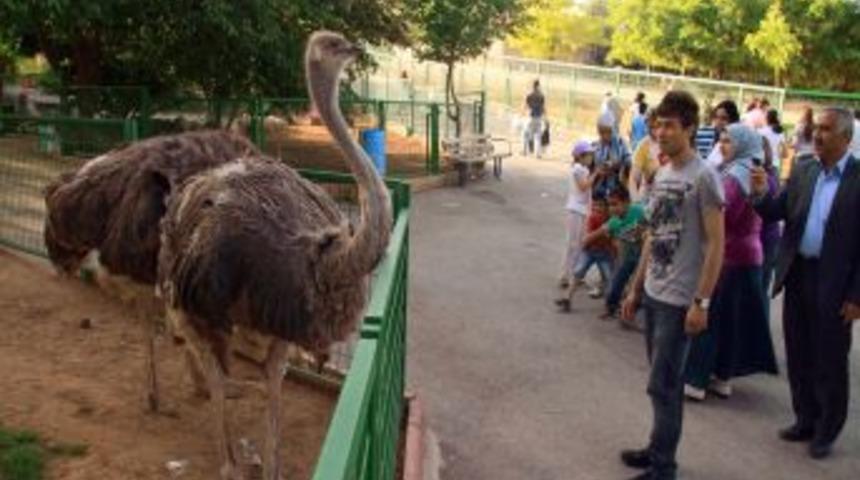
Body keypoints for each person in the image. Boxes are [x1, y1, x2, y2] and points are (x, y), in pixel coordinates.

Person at [619, 90, 725, 480]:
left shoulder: (704, 176)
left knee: (664, 385)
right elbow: (653, 233)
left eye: (669, 125)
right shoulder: (663, 173)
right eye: (658, 125)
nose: (661, 132)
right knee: (660, 383)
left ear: (690, 129)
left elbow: (716, 244)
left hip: (680, 300)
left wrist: (702, 302)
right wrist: (635, 287)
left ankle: (664, 467)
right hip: (654, 291)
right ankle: (656, 448)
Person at [751, 107, 860, 460]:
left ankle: (826, 430)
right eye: (816, 128)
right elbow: (777, 211)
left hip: (835, 282)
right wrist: (759, 195)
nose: (817, 134)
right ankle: (805, 419)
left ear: (846, 137)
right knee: (798, 352)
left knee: (829, 358)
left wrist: (856, 295)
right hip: (798, 273)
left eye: (826, 129)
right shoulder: (804, 169)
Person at [683, 124, 779, 401]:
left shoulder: (735, 177)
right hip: (752, 256)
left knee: (710, 318)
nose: (722, 146)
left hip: (729, 257)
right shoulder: (761, 173)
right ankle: (722, 378)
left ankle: (696, 380)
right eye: (721, 140)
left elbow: (721, 218)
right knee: (732, 322)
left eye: (728, 141)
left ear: (743, 144)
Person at [580, 187, 646, 321]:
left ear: (627, 202)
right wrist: (586, 240)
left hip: (643, 257)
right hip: (625, 257)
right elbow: (596, 234)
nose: (612, 208)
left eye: (615, 204)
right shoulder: (613, 222)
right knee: (614, 284)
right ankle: (611, 309)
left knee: (638, 287)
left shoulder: (640, 211)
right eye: (609, 204)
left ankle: (631, 313)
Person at [555, 198, 614, 312]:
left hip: (604, 253)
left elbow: (612, 239)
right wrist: (602, 231)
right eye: (594, 207)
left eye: (600, 207)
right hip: (589, 251)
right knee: (578, 273)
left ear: (607, 209)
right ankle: (567, 298)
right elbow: (586, 239)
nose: (596, 210)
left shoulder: (611, 220)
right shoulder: (592, 218)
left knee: (609, 278)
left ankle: (610, 305)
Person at [560, 141, 599, 288]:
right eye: (588, 155)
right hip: (575, 209)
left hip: (581, 210)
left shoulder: (583, 169)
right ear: (580, 156)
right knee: (572, 243)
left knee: (578, 244)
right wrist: (595, 174)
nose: (591, 158)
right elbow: (583, 186)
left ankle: (574, 274)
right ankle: (565, 275)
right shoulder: (577, 169)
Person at [629, 110, 665, 202]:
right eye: (650, 127)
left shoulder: (671, 143)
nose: (653, 131)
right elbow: (633, 179)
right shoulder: (644, 146)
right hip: (648, 197)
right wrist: (636, 201)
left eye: (657, 127)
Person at [594, 112, 632, 199]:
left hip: (617, 188)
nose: (604, 136)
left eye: (607, 132)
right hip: (600, 188)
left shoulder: (621, 143)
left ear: (613, 130)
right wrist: (599, 170)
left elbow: (629, 160)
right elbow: (594, 163)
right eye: (601, 133)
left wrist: (618, 164)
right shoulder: (597, 145)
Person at [706, 100, 741, 168]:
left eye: (724, 118)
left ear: (733, 120)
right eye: (716, 117)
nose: (718, 122)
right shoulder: (714, 139)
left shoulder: (737, 143)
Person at [759, 109, 787, 178]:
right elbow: (785, 153)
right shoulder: (780, 132)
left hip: (762, 163)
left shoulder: (760, 131)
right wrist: (777, 155)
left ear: (767, 119)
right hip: (775, 164)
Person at [525, 80, 546, 158]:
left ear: (532, 86)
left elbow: (526, 106)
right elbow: (543, 107)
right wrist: (545, 116)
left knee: (528, 134)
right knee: (538, 136)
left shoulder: (529, 95)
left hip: (531, 116)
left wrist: (523, 113)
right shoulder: (541, 95)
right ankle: (538, 153)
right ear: (538, 86)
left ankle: (526, 150)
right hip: (539, 117)